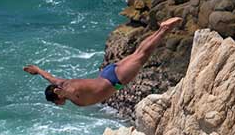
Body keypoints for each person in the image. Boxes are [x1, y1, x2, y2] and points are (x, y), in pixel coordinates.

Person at [23, 17, 183, 107]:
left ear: (58, 96)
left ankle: (163, 29)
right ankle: (161, 30)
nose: (57, 104)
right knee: (138, 54)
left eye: (56, 102)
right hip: (107, 73)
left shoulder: (70, 94)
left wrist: (63, 94)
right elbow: (48, 77)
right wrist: (36, 69)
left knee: (142, 56)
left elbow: (71, 93)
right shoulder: (61, 82)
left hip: (116, 80)